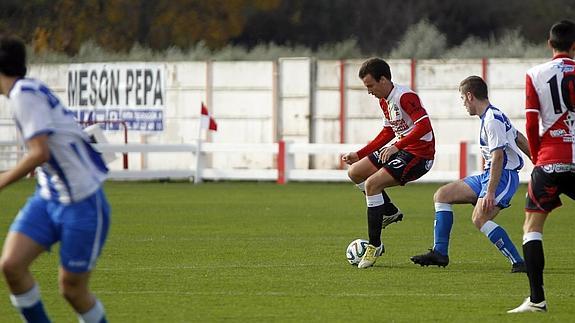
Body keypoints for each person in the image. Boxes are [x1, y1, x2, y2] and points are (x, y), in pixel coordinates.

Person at [0, 35, 110, 322]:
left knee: (72, 290)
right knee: (11, 265)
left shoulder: (23, 95)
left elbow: (39, 153)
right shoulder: (25, 92)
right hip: (48, 197)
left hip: (82, 202)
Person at [410, 76, 530, 273]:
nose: (463, 104)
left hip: (503, 177)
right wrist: (539, 161)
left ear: (470, 96)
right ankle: (440, 253)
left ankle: (519, 263)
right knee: (443, 195)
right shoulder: (494, 115)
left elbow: (498, 157)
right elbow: (519, 138)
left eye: (462, 99)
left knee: (480, 218)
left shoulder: (492, 120)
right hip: (489, 174)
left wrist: (490, 192)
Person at [342, 57, 435, 269]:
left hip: (419, 155)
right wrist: (359, 153)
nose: (369, 91)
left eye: (370, 86)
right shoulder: (384, 101)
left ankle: (374, 247)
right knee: (355, 172)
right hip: (402, 149)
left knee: (372, 184)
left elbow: (424, 127)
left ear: (383, 80)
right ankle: (390, 211)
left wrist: (397, 146)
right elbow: (387, 132)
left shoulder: (405, 97)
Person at [508, 19, 575, 314]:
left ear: (550, 44)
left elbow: (532, 121)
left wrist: (537, 156)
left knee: (532, 228)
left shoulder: (535, 74)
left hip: (548, 162)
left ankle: (537, 300)